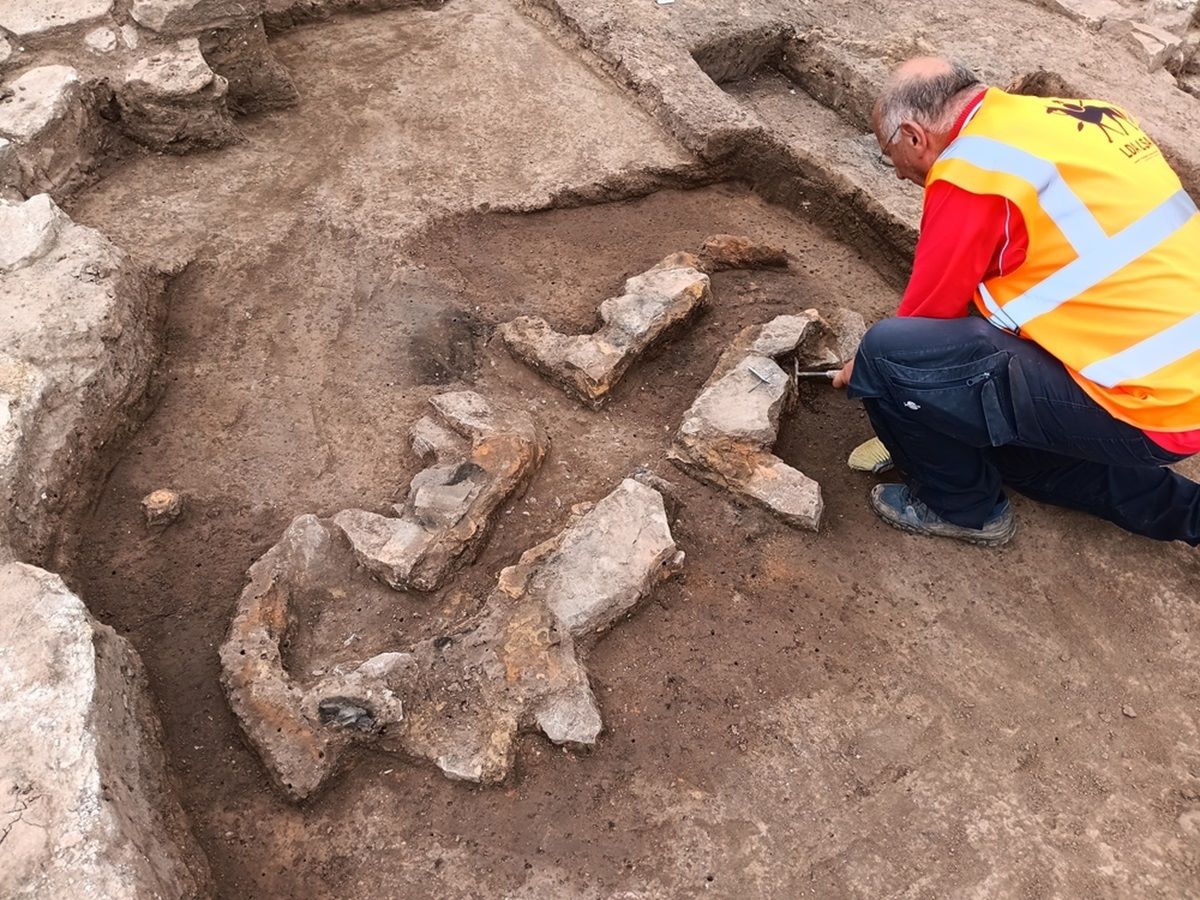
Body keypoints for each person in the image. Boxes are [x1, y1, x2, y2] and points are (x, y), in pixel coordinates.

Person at [831, 57, 1200, 547]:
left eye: (890, 153)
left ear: (915, 136)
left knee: (889, 356)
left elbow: (925, 318)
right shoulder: (1080, 116)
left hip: (1147, 402)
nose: (898, 174)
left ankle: (963, 510)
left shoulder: (973, 172)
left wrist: (871, 374)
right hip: (1176, 384)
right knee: (1010, 454)